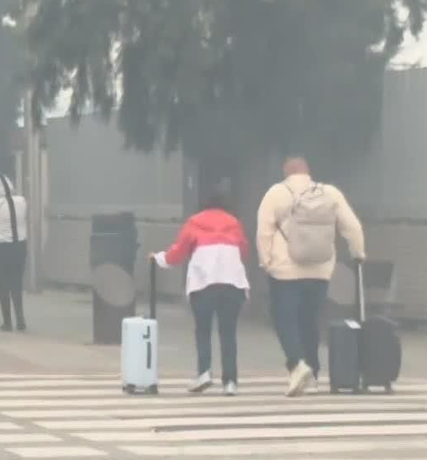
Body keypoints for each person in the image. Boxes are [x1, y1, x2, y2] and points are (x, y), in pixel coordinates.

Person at [256, 156, 366, 397]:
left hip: (285, 270)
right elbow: (352, 226)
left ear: (286, 172)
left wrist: (266, 261)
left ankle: (297, 365)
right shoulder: (330, 193)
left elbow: (264, 230)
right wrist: (358, 253)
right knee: (309, 321)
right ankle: (314, 374)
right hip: (320, 269)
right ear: (308, 172)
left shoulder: (276, 193)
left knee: (284, 319)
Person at [150, 191, 251, 395]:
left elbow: (177, 253)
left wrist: (158, 258)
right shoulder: (234, 223)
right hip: (232, 283)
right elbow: (244, 251)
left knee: (203, 330)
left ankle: (204, 373)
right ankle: (230, 382)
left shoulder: (194, 222)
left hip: (203, 283)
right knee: (228, 333)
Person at [0, 174, 29, 332]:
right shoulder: (22, 201)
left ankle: (7, 322)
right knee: (17, 282)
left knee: (2, 285)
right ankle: (21, 319)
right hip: (19, 246)